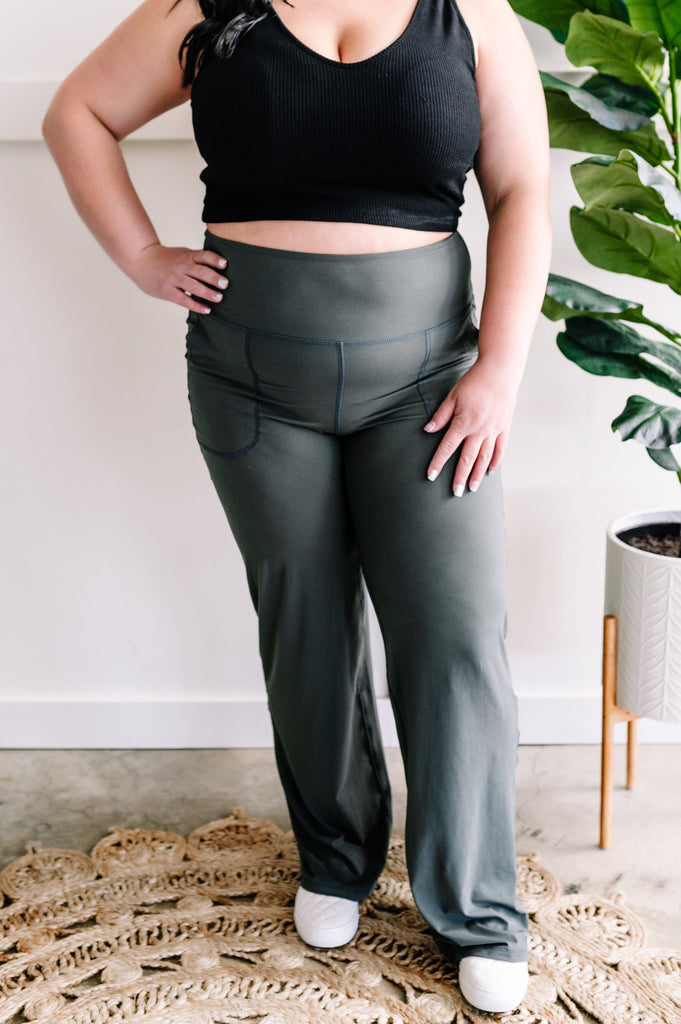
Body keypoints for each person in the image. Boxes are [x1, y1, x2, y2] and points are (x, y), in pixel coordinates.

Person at [43, 0, 551, 1013]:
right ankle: (335, 855)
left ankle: (478, 909)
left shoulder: (472, 16)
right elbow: (77, 114)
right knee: (305, 621)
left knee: (451, 634)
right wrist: (143, 257)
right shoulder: (209, 7)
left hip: (429, 388)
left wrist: (499, 370)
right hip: (251, 384)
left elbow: (522, 188)